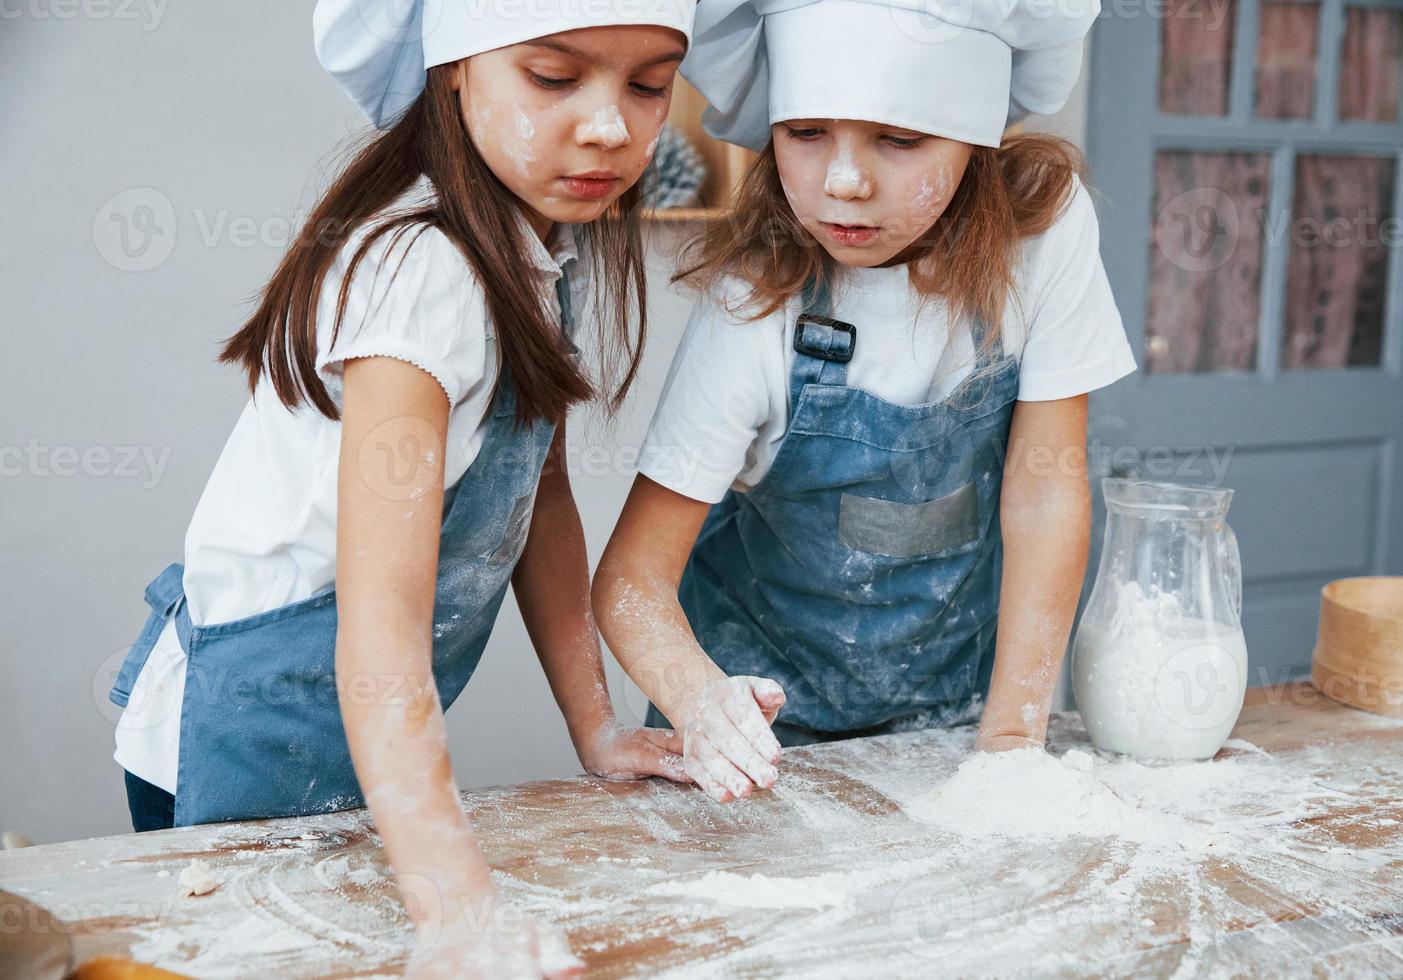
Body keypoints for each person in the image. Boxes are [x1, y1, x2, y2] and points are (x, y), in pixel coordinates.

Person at [108, 1, 695, 973]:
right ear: (455, 69)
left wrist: (600, 725)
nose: (610, 125)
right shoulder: (424, 275)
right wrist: (456, 899)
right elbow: (379, 621)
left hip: (362, 720)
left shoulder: (544, 243)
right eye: (554, 77)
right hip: (254, 715)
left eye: (648, 82)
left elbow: (535, 493)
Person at [594, 0, 1138, 803]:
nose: (845, 182)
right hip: (761, 751)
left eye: (900, 137)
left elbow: (1044, 488)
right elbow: (631, 579)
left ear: (977, 130)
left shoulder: (1043, 238)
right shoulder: (756, 299)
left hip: (959, 724)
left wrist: (1012, 742)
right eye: (806, 133)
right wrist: (707, 708)